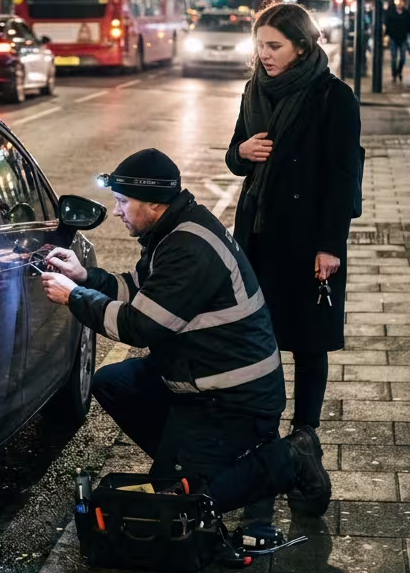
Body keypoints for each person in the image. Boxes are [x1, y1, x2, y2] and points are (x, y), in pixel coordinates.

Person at [40, 148, 332, 516]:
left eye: (122, 202)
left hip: (234, 399)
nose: (116, 211)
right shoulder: (175, 228)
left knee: (187, 506)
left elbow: (140, 325)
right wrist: (85, 277)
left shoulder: (188, 247)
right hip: (198, 380)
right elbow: (142, 289)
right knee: (113, 382)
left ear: (154, 204)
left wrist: (75, 297)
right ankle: (187, 458)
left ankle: (291, 458)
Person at [225, 2, 361, 434]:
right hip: (258, 235)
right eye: (260, 45)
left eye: (274, 46)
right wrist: (241, 154)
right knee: (254, 335)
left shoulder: (332, 96)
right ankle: (260, 422)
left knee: (307, 339)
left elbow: (342, 178)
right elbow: (235, 154)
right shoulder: (254, 90)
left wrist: (329, 246)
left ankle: (305, 432)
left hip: (306, 238)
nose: (264, 54)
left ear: (301, 47)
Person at [384, 0, 410, 83]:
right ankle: (394, 75)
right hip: (394, 38)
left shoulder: (406, 13)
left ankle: (399, 71)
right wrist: (388, 33)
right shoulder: (392, 13)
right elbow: (387, 24)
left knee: (403, 58)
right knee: (394, 58)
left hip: (403, 38)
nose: (400, 5)